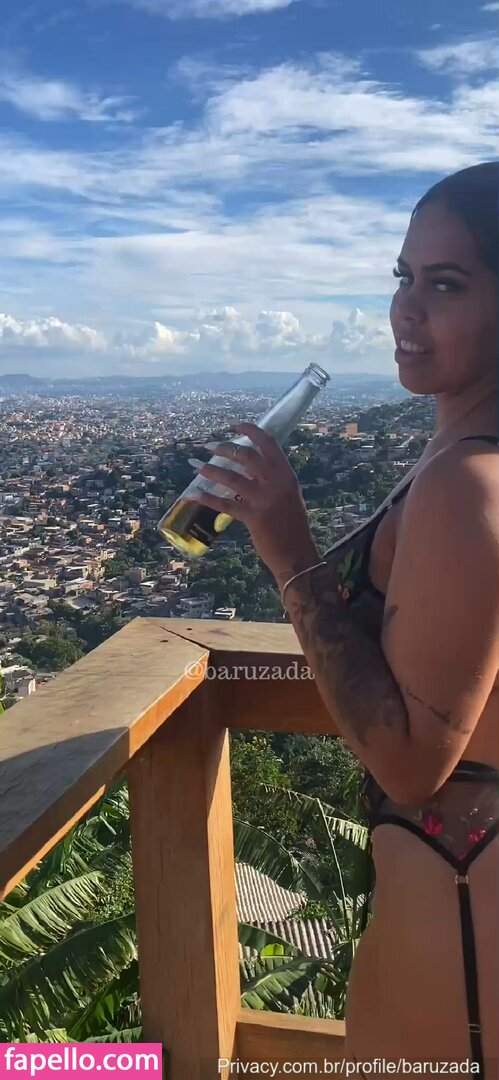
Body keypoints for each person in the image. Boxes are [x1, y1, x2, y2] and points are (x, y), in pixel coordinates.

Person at [186, 161, 499, 1076]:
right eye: (403, 277)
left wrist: (288, 549)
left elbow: (409, 764)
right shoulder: (454, 454)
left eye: (446, 284)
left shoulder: (467, 483)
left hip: (461, 954)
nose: (406, 309)